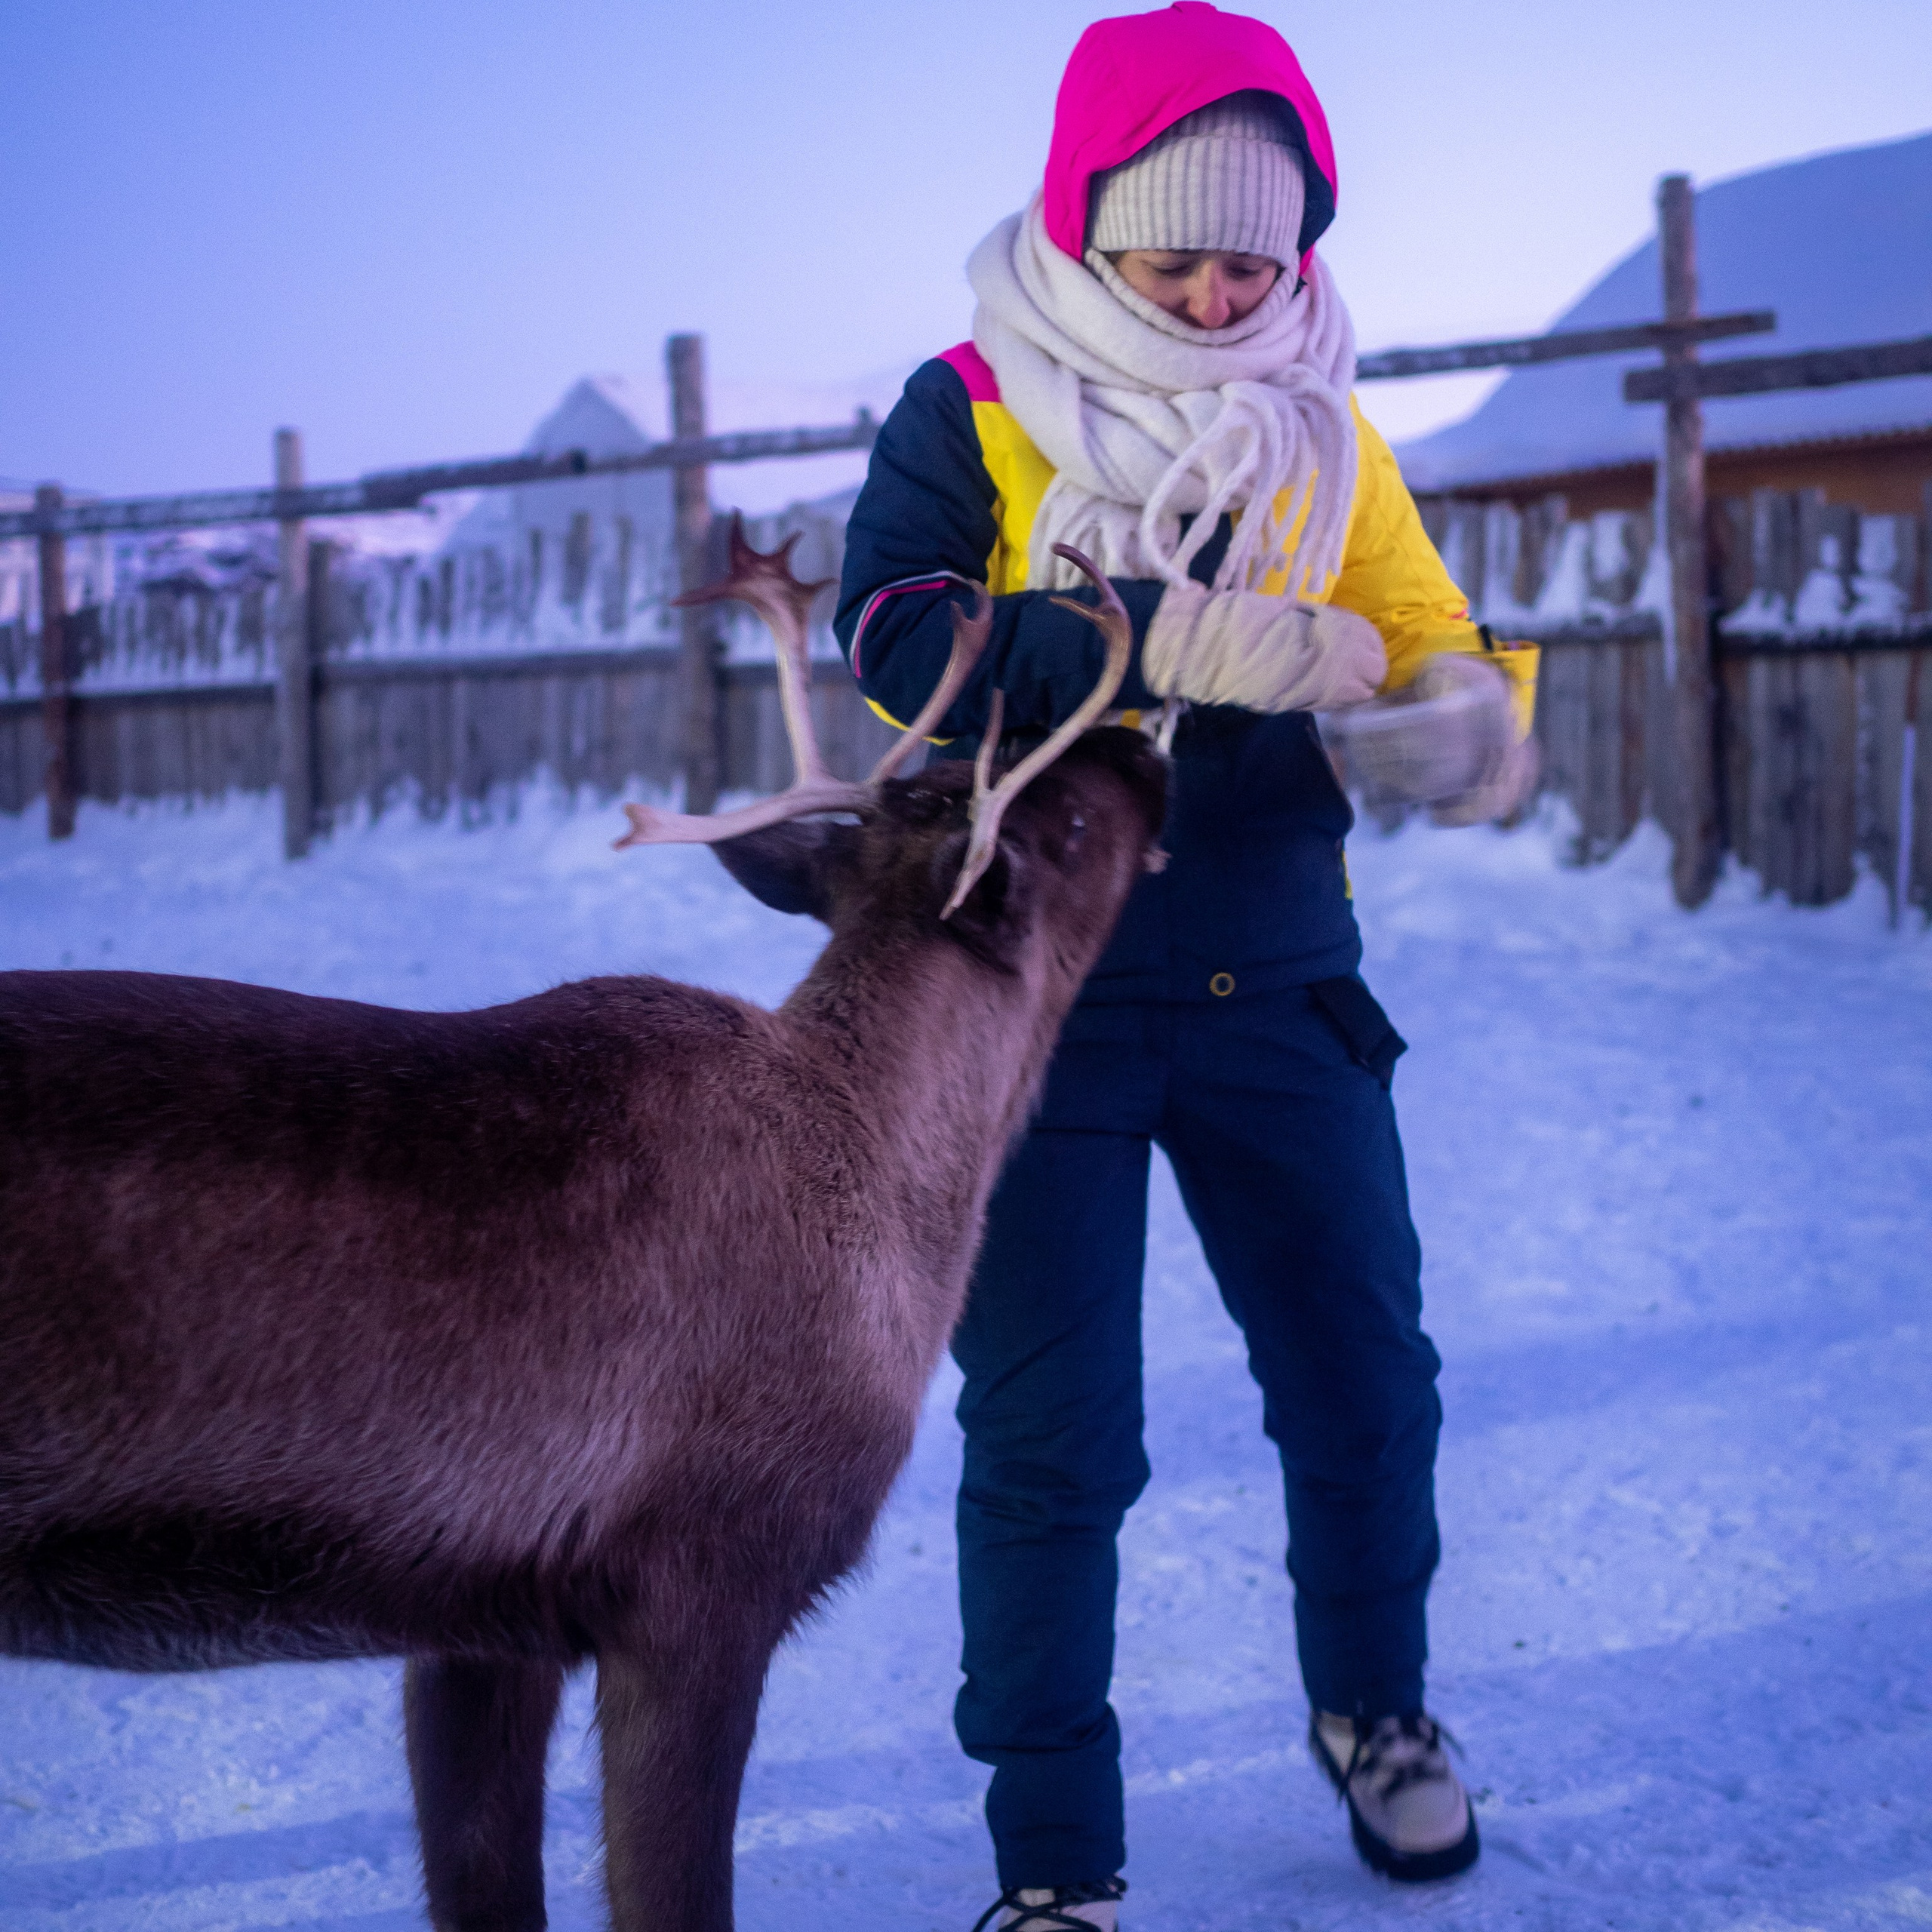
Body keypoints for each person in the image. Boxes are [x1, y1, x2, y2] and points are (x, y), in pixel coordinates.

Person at [833, 5, 1537, 1921]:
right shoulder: (969, 400)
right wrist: (1153, 638)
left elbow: (1421, 629)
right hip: (1028, 998)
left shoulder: (1329, 420)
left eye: (1258, 252)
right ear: (1085, 220)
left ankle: (1376, 1713)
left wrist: (1461, 713)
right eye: (1178, 255)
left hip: (1281, 982)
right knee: (1058, 1440)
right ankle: (1054, 1864)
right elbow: (898, 637)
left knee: (1363, 1380)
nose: (1227, 293)